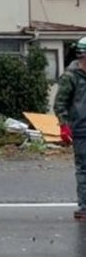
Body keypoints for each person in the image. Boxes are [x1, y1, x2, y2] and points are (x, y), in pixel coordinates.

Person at [54, 36, 86, 220]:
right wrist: (64, 125)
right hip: (81, 129)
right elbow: (60, 104)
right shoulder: (71, 77)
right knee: (84, 169)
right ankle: (84, 206)